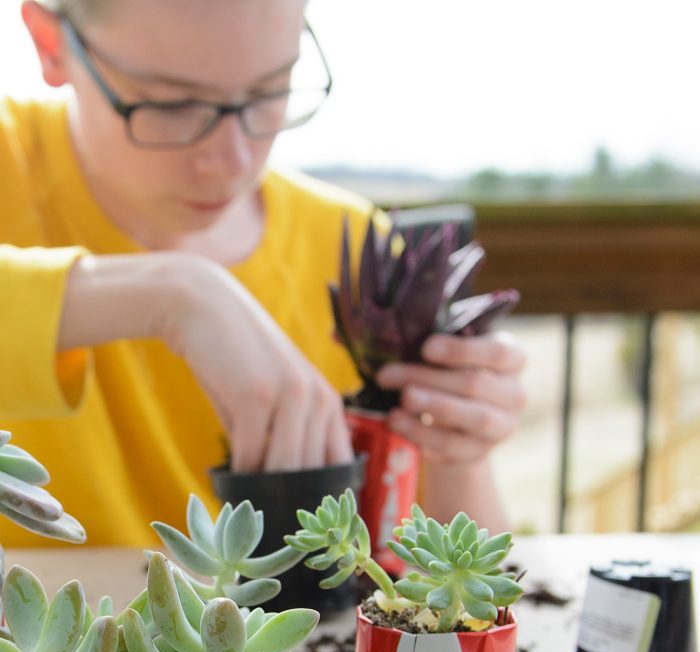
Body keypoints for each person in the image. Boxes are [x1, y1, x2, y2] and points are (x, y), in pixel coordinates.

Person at [0, 0, 525, 549]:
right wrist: (178, 295)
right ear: (51, 43)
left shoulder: (352, 251)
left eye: (270, 91)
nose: (231, 160)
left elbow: (450, 585)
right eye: (171, 103)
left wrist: (462, 450)